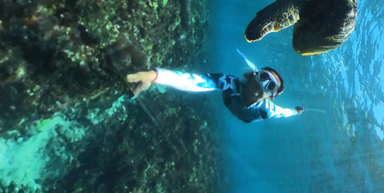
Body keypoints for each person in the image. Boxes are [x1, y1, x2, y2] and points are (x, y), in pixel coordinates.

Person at [126, 67, 304, 123]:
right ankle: (249, 71)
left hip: (247, 114)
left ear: (271, 95)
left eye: (270, 85)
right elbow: (194, 81)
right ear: (256, 76)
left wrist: (296, 111)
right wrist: (155, 76)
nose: (261, 84)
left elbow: (284, 112)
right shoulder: (229, 83)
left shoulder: (268, 110)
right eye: (263, 77)